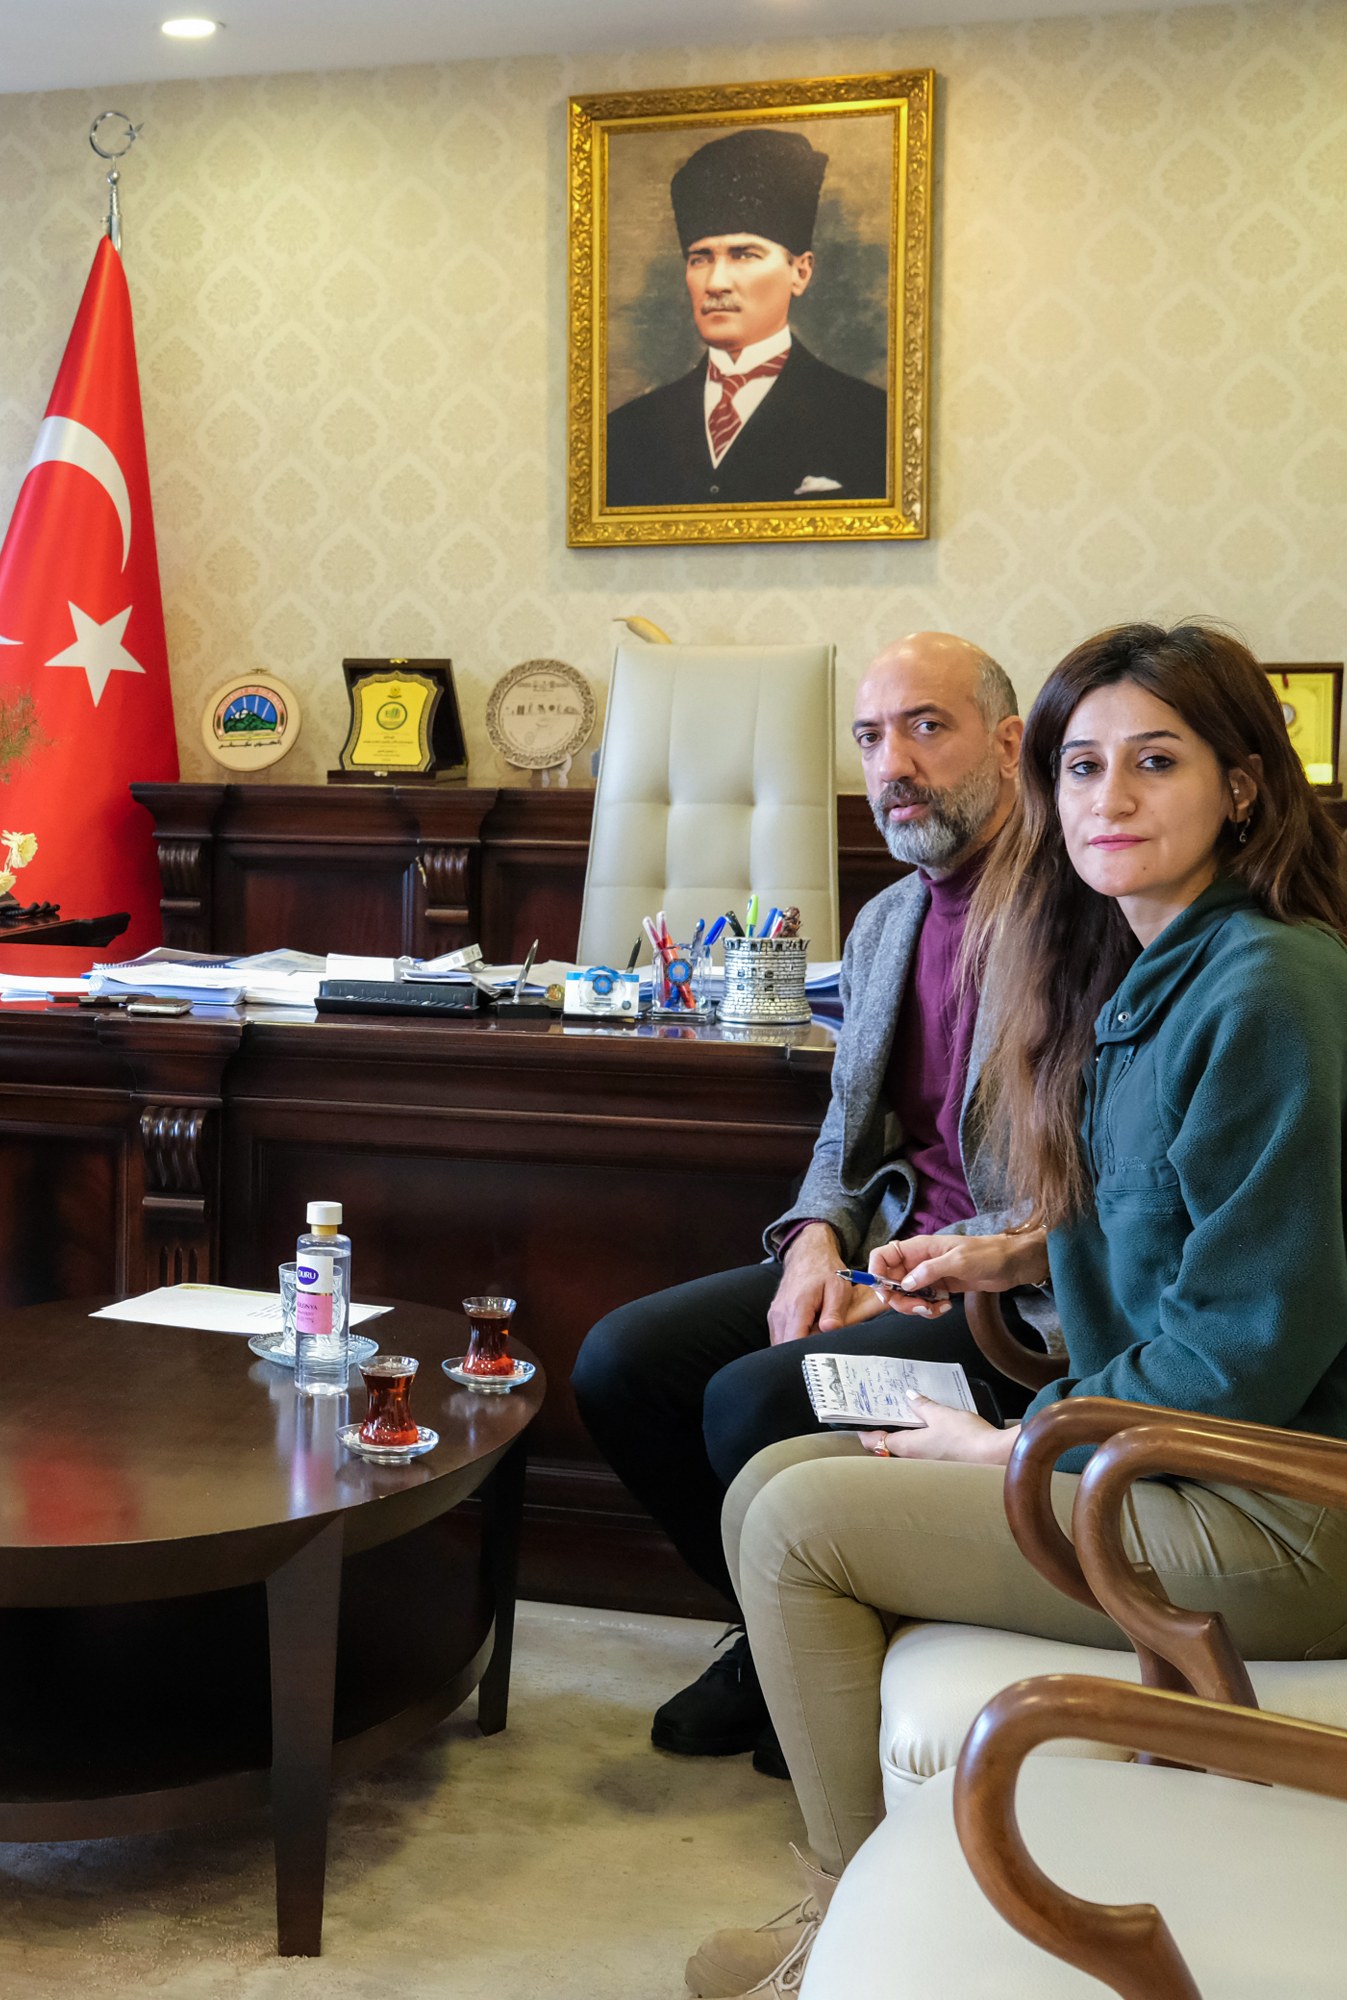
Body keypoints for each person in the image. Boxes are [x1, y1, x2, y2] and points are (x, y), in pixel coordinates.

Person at [695, 622, 1347, 1998]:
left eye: (1154, 763)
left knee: (799, 1523)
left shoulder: (1270, 992)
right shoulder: (1169, 969)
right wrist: (1010, 1255)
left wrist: (1018, 1441)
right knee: (767, 1486)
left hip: (1296, 1514)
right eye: (1082, 766)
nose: (1108, 798)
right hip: (1192, 1465)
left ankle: (840, 1946)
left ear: (1241, 785)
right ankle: (854, 1914)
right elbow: (1181, 1220)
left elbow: (1244, 1341)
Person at [574, 632, 1033, 1781]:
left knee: (751, 1397)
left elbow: (1081, 1188)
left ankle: (819, 1662)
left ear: (1011, 745)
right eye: (871, 737)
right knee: (623, 1362)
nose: (893, 765)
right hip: (882, 1256)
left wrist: (922, 1267)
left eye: (926, 727)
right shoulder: (887, 921)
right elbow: (844, 1132)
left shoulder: (1081, 920)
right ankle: (777, 1636)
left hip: (1011, 1300)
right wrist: (815, 1244)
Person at [603, 125, 889, 508]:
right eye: (700, 258)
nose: (716, 282)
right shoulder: (627, 431)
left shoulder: (871, 420)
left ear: (800, 272)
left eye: (744, 255)